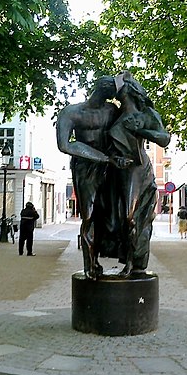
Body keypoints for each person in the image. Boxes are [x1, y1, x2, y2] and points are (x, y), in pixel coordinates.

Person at [56, 76, 131, 279]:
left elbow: (127, 131)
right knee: (89, 216)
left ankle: (122, 255)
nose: (113, 94)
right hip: (85, 167)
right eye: (111, 90)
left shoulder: (112, 111)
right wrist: (104, 158)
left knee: (115, 214)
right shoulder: (71, 113)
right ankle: (90, 264)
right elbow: (65, 145)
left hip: (110, 167)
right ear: (100, 88)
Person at [107, 71, 171, 274]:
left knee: (131, 216)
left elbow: (164, 139)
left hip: (138, 169)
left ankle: (135, 261)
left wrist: (141, 130)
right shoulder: (114, 115)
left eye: (121, 86)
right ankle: (127, 259)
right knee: (118, 217)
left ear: (131, 90)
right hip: (118, 172)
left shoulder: (146, 115)